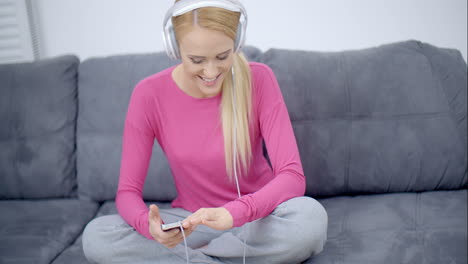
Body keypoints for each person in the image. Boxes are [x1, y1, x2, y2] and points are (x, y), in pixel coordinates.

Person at [82, 0, 328, 263]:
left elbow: (292, 176)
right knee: (97, 237)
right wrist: (149, 227)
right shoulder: (148, 95)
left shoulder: (260, 79)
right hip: (193, 225)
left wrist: (236, 212)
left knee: (310, 218)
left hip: (259, 219)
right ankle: (225, 256)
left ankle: (193, 259)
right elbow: (127, 192)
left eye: (222, 56)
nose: (211, 72)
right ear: (175, 48)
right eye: (196, 60)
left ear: (237, 41)